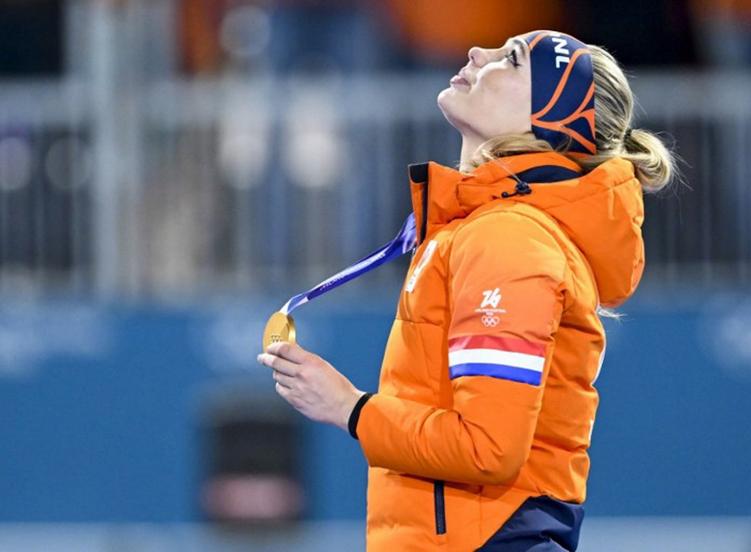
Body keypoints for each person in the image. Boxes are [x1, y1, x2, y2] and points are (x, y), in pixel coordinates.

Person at [258, 29, 675, 551]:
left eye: (512, 59)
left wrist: (349, 407)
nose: (478, 53)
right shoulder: (491, 229)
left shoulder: (509, 238)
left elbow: (488, 447)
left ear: (549, 120)